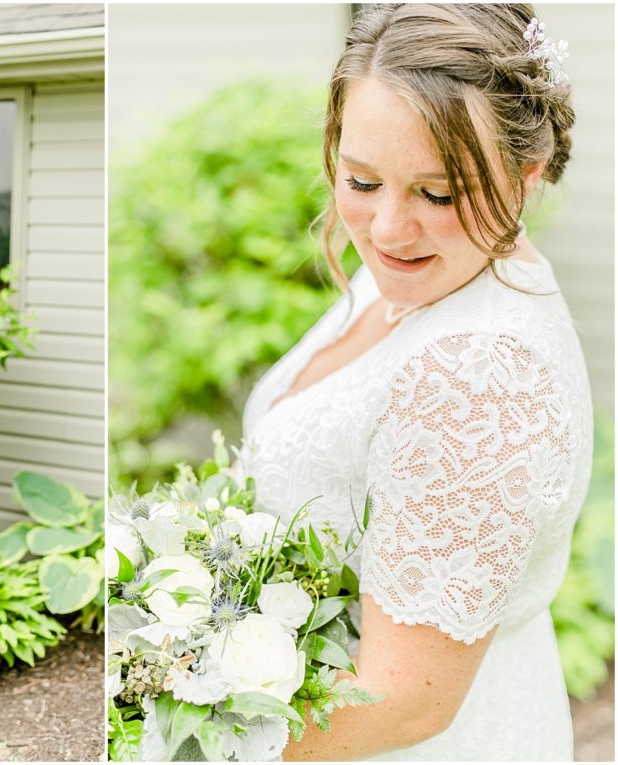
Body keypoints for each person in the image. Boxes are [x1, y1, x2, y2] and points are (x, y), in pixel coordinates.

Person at [237, 4, 592, 760]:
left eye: (437, 193)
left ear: (526, 178)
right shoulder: (423, 274)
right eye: (361, 179)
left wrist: (167, 727)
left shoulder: (482, 376)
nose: (388, 229)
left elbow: (402, 702)